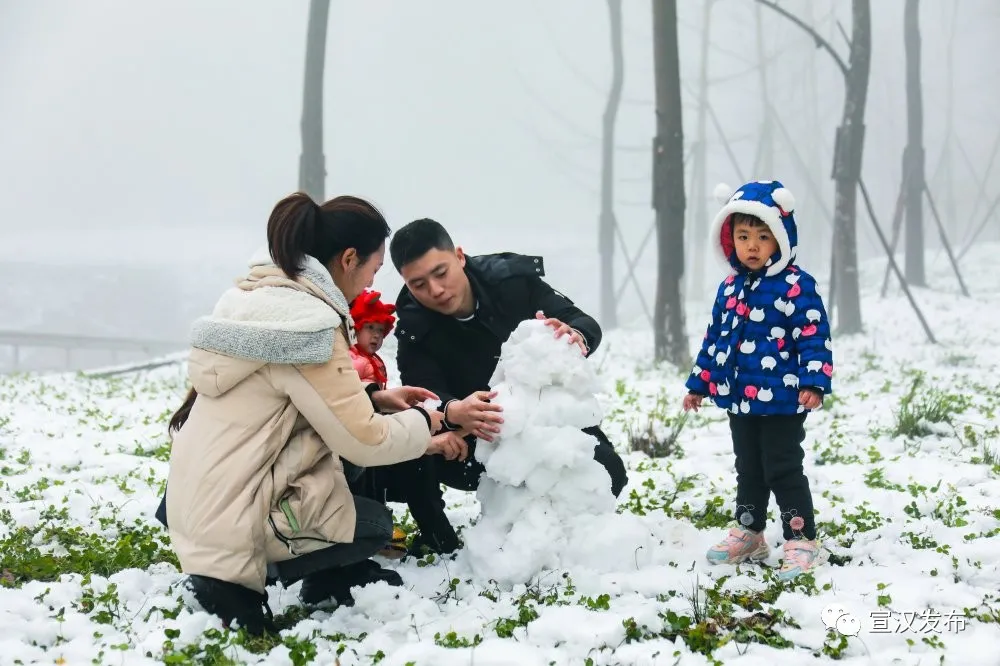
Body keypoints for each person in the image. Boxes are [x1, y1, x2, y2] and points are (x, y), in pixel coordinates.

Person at [163, 192, 468, 635]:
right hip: (234, 528)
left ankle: (245, 574)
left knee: (341, 468)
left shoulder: (258, 300)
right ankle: (261, 583)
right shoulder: (308, 326)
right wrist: (431, 420)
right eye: (373, 270)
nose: (369, 284)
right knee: (372, 524)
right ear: (348, 259)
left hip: (196, 508)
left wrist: (374, 398)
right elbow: (365, 440)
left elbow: (293, 395)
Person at [353, 218, 629, 555]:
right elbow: (423, 390)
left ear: (459, 256)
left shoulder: (511, 282)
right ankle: (438, 538)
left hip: (545, 426)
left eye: (441, 273)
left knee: (609, 473)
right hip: (473, 440)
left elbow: (581, 321)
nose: (435, 290)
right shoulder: (413, 323)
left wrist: (574, 334)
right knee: (411, 437)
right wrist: (453, 411)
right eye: (419, 284)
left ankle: (554, 524)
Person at [682, 180, 833, 581]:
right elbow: (716, 338)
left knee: (782, 467)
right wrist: (699, 383)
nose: (752, 246)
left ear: (780, 238)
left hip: (782, 399)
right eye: (743, 236)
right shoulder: (730, 287)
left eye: (763, 237)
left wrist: (813, 382)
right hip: (739, 399)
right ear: (729, 239)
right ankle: (750, 533)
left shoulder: (797, 285)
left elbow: (813, 335)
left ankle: (801, 539)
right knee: (748, 468)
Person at [348, 289, 396, 390]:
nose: (377, 335)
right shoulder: (351, 359)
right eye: (370, 327)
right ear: (355, 328)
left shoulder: (371, 359)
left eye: (381, 330)